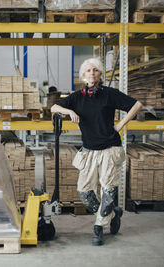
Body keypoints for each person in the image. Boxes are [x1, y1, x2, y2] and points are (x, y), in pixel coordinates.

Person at [51, 57, 143, 246]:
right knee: (84, 192)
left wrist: (120, 125)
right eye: (88, 70)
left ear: (100, 74)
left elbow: (136, 105)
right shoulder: (77, 97)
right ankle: (112, 212)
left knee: (108, 190)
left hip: (110, 148)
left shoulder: (109, 94)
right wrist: (68, 112)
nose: (92, 73)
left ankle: (99, 227)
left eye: (95, 70)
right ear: (83, 75)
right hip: (89, 151)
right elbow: (53, 107)